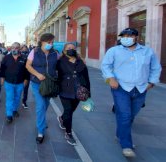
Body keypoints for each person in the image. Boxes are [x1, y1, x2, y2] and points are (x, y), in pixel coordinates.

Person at [101, 28, 161, 158]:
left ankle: (120, 134)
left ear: (136, 37)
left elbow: (156, 68)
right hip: (121, 88)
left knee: (131, 115)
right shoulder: (114, 51)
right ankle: (126, 145)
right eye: (124, 36)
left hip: (141, 89)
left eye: (129, 35)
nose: (126, 38)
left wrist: (152, 82)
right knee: (125, 115)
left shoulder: (147, 52)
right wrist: (111, 78)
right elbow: (105, 65)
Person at [26, 33, 58, 144]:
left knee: (45, 104)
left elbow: (62, 62)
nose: (51, 44)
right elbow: (28, 65)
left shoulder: (55, 53)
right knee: (40, 105)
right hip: (37, 83)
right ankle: (41, 131)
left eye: (52, 42)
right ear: (42, 42)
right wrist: (37, 74)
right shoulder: (34, 52)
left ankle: (42, 121)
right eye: (49, 42)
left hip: (50, 84)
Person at [57, 43, 91, 146]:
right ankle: (68, 133)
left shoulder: (81, 62)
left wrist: (88, 94)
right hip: (64, 90)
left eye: (72, 48)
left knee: (71, 111)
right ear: (63, 51)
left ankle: (62, 118)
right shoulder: (59, 62)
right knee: (68, 111)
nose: (71, 50)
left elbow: (86, 78)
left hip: (79, 91)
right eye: (68, 48)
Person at [0, 42, 29, 124]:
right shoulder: (6, 57)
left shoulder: (24, 58)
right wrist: (2, 78)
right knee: (9, 98)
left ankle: (14, 110)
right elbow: (2, 68)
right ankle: (9, 115)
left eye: (17, 47)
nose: (15, 49)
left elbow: (27, 70)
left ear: (19, 49)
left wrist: (26, 79)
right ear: (11, 48)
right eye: (13, 47)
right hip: (9, 82)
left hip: (20, 82)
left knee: (17, 97)